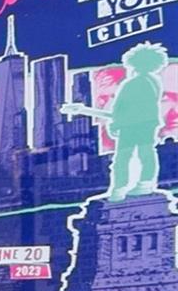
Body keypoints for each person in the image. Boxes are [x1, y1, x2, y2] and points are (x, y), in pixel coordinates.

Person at [64, 41, 171, 201]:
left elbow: (122, 111)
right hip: (147, 124)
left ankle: (120, 189)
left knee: (123, 158)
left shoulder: (132, 84)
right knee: (145, 153)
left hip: (131, 126)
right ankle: (144, 184)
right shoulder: (153, 82)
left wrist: (114, 124)